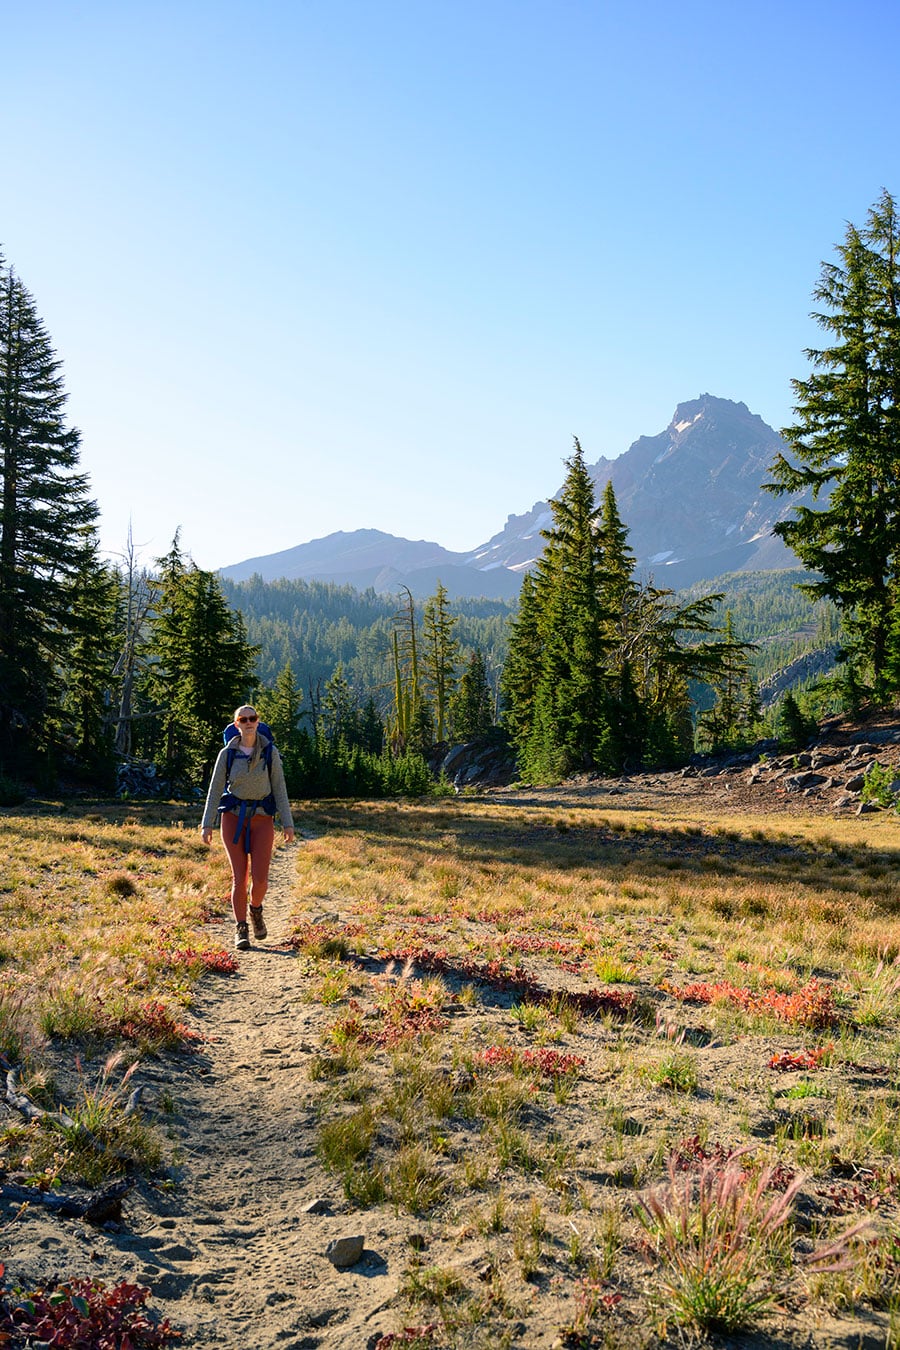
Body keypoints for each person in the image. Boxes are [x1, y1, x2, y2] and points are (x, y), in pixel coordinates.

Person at [201, 704, 295, 950]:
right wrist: (207, 824)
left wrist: (288, 823)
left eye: (252, 718)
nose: (249, 722)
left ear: (258, 721)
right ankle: (241, 928)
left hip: (263, 819)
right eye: (243, 719)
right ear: (236, 725)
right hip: (233, 819)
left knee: (261, 880)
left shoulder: (270, 752)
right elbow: (214, 790)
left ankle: (255, 909)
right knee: (239, 878)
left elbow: (280, 789)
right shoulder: (227, 754)